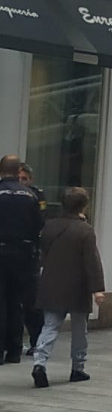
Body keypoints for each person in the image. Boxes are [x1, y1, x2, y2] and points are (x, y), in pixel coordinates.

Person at [30, 187, 105, 387]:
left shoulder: (49, 226)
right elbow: (92, 261)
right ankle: (77, 368)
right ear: (84, 206)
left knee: (50, 326)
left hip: (52, 282)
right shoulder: (85, 230)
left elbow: (43, 252)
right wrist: (97, 288)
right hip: (77, 285)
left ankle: (40, 362)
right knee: (80, 329)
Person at [0, 154, 42, 363]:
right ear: (18, 172)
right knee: (16, 301)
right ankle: (15, 350)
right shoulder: (30, 195)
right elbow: (38, 226)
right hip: (24, 253)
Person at [17, 162, 45, 355]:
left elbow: (41, 222)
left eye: (24, 179)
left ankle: (37, 340)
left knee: (31, 301)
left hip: (29, 254)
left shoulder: (36, 195)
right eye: (18, 178)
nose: (21, 182)